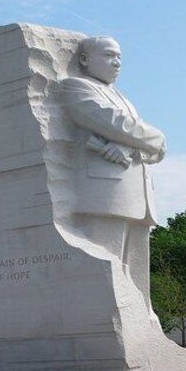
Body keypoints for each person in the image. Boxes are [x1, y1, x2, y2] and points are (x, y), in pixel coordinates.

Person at [60, 36, 166, 312]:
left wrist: (129, 150)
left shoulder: (124, 99)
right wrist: (153, 137)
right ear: (84, 59)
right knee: (107, 271)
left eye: (119, 57)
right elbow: (115, 123)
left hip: (137, 197)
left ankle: (141, 320)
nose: (117, 62)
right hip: (105, 194)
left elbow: (152, 147)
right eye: (109, 55)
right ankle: (106, 318)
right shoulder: (76, 87)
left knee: (138, 277)